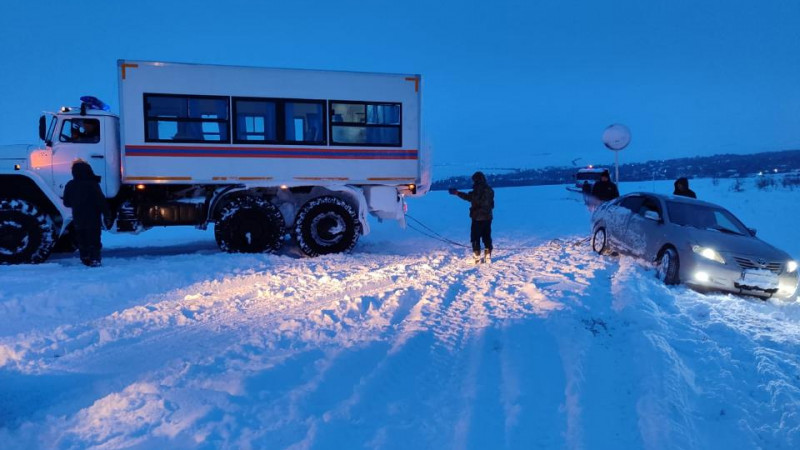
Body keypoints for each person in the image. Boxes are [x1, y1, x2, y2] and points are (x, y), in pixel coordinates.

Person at [63, 160, 110, 267]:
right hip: (93, 217)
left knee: (82, 238)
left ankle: (85, 258)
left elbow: (66, 202)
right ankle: (95, 258)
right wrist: (107, 214)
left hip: (78, 217)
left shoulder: (70, 185)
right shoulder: (93, 184)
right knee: (94, 239)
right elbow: (100, 201)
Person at [449, 171, 494, 264]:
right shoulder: (490, 190)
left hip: (477, 217)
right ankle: (488, 254)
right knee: (487, 235)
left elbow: (469, 197)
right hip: (488, 217)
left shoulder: (477, 189)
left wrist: (457, 193)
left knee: (475, 236)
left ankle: (477, 255)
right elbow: (492, 204)